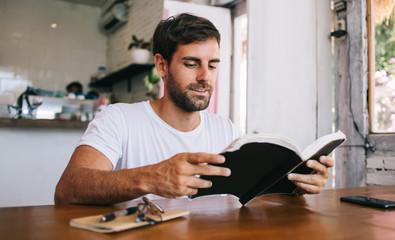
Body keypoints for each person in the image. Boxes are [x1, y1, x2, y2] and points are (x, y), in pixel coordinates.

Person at [55, 13, 334, 205]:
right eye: (191, 64)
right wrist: (151, 177)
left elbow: (252, 201)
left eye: (212, 65)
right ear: (162, 65)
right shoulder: (119, 119)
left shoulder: (226, 131)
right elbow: (68, 189)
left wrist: (298, 187)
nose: (205, 76)